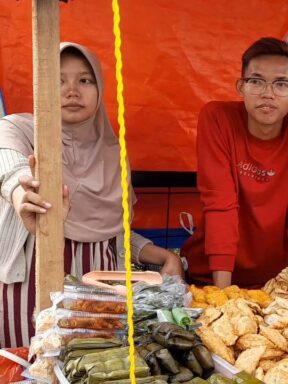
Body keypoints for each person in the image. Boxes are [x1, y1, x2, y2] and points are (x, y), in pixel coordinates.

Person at [0, 43, 183, 347]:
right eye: (58, 80)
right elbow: (6, 160)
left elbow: (110, 232)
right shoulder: (19, 130)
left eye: (85, 80)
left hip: (97, 295)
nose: (72, 90)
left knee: (86, 371)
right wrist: (21, 192)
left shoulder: (115, 156)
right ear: (40, 86)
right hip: (27, 291)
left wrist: (164, 256)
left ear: (99, 88)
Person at [181, 38, 288, 289]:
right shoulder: (217, 118)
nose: (268, 93)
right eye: (256, 82)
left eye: (281, 84)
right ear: (240, 87)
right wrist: (222, 297)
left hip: (275, 282)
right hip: (210, 277)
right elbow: (220, 204)